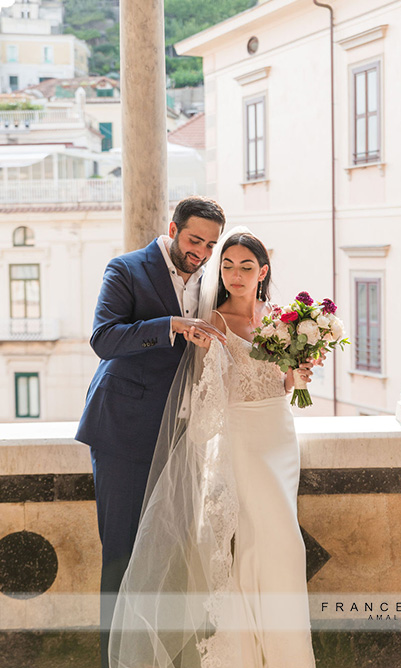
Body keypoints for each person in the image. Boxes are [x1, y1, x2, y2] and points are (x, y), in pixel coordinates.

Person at [108, 229, 318, 667]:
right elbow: (212, 398)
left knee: (280, 547)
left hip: (279, 435)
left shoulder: (279, 317)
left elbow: (281, 383)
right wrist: (211, 356)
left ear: (262, 272)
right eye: (227, 265)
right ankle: (245, 654)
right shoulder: (215, 322)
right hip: (243, 439)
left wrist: (298, 374)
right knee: (267, 544)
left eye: (245, 267)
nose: (234, 274)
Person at [76, 196, 227, 668]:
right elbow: (104, 339)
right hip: (124, 431)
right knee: (121, 553)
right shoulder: (126, 269)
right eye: (194, 240)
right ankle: (114, 660)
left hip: (183, 436)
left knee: (169, 557)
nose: (200, 252)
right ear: (173, 228)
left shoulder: (211, 278)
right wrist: (172, 326)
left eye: (210, 244)